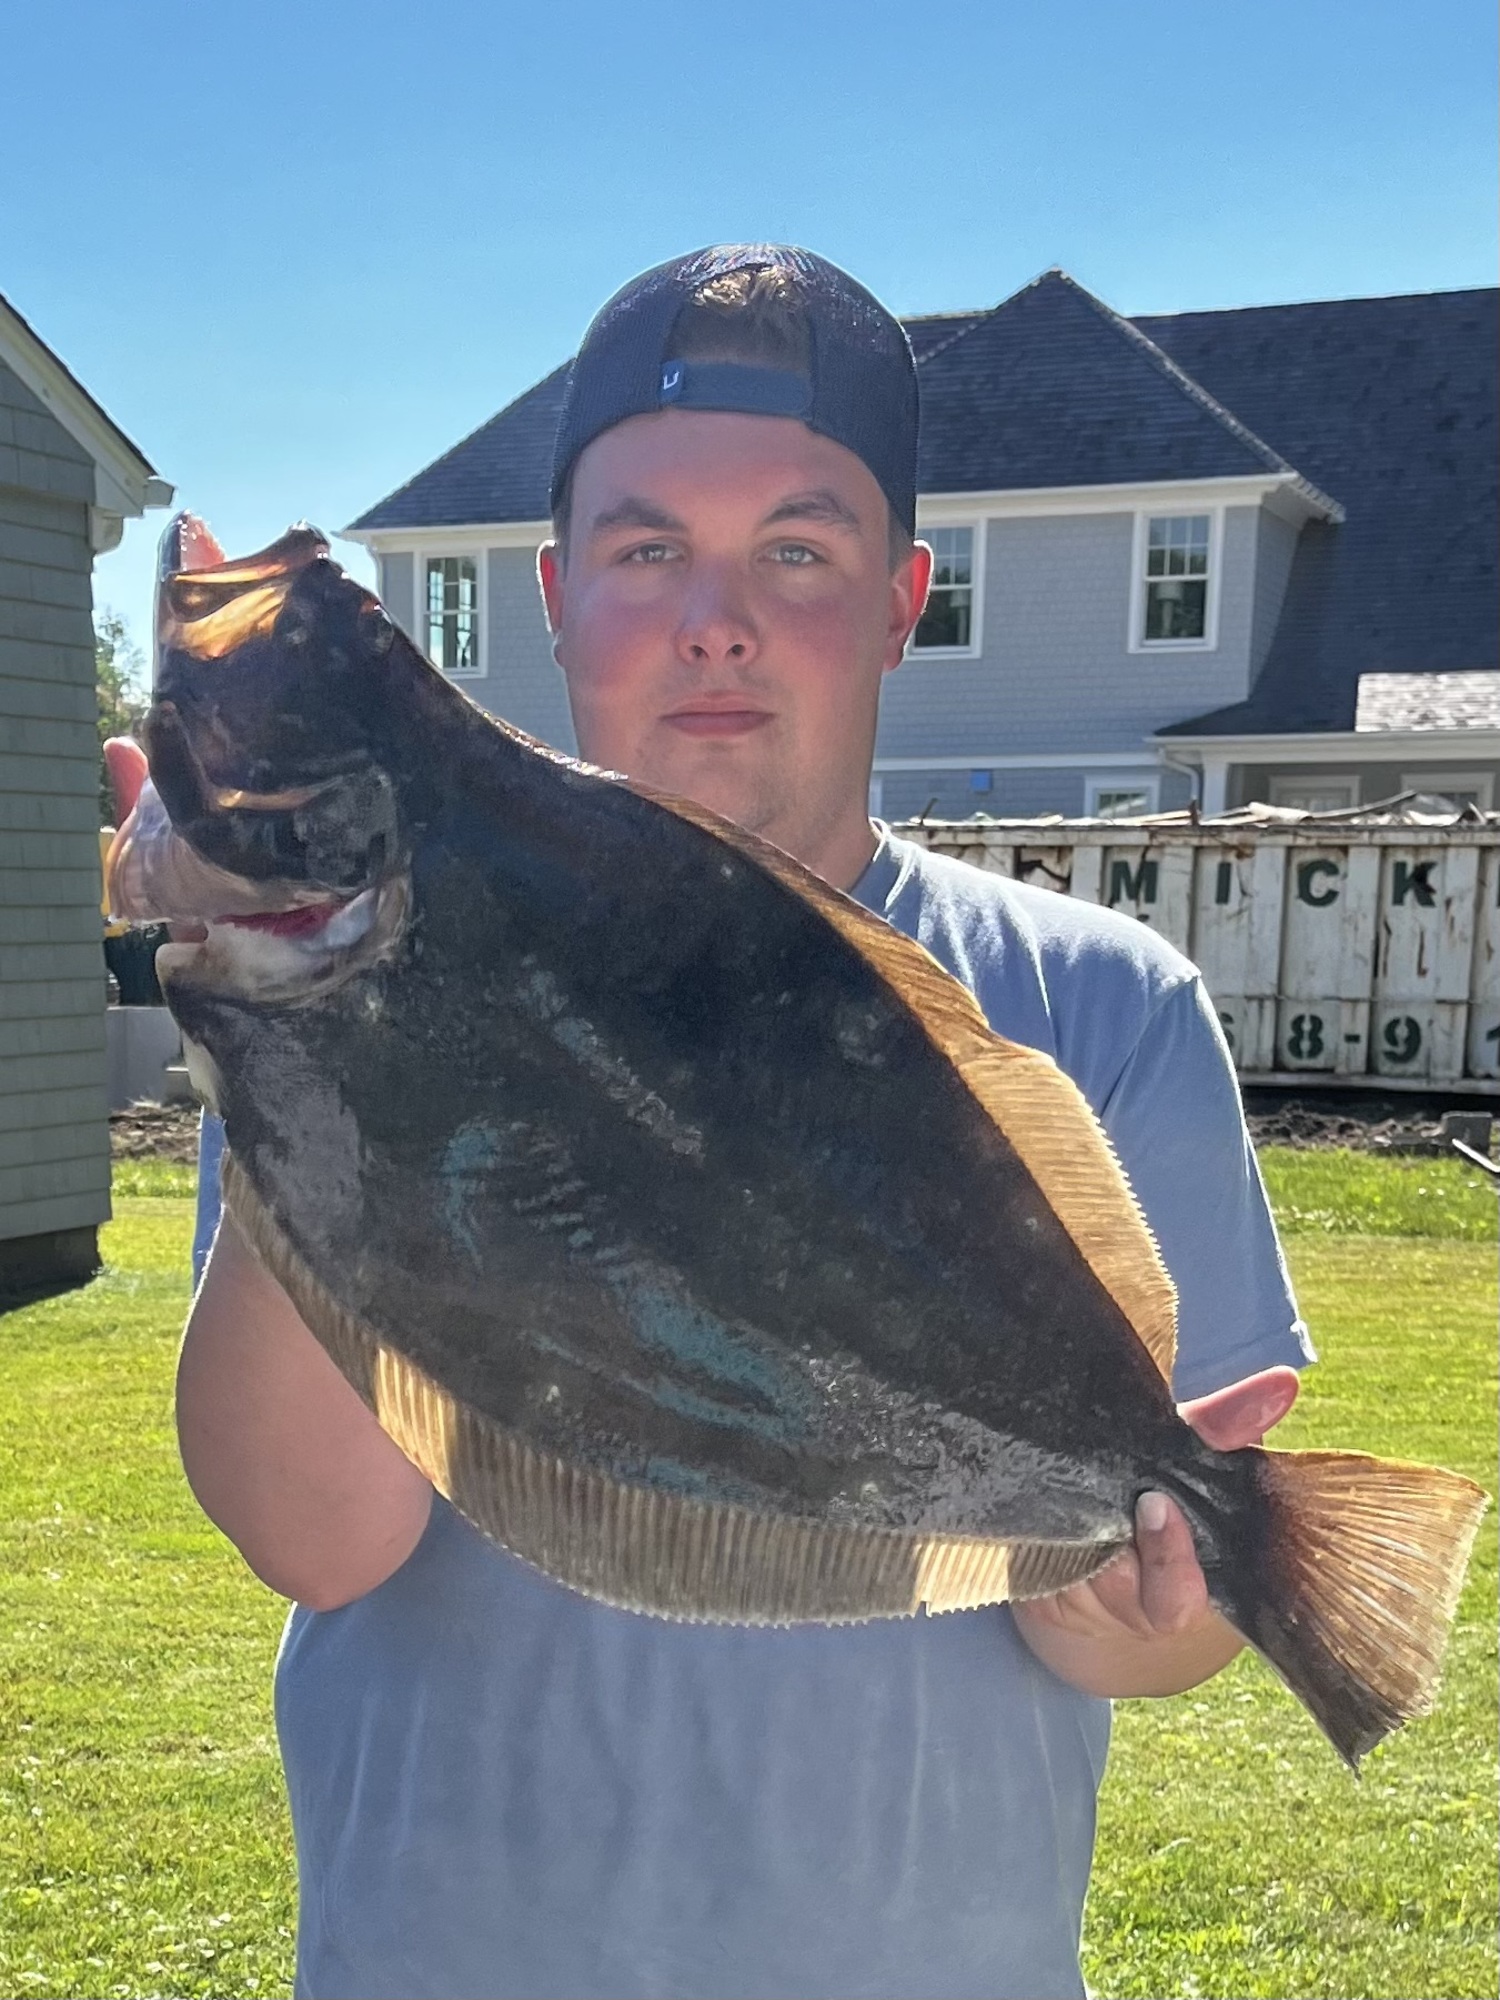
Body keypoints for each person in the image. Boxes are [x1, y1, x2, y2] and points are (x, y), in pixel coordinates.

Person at [170, 245, 1312, 2000]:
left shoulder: (1105, 1005)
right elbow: (320, 1541)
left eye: (799, 548)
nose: (718, 617)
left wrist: (1141, 1615)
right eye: (648, 551)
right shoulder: (341, 986)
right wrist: (297, 1013)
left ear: (903, 599)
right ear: (552, 595)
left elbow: (1159, 1637)